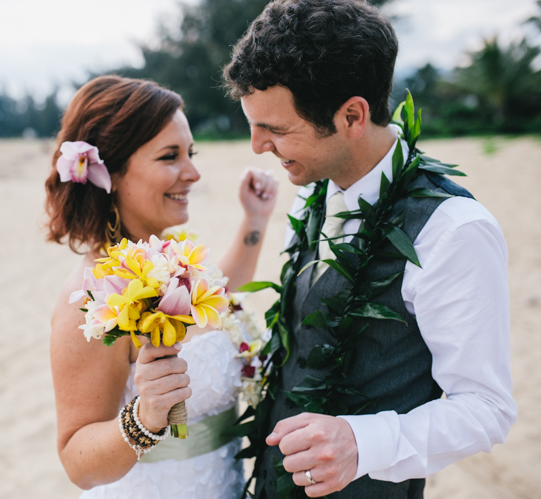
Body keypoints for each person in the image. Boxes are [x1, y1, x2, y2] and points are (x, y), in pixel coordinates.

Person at [222, 0, 517, 497]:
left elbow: (486, 409)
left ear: (352, 116)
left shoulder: (453, 230)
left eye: (275, 128)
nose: (257, 146)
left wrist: (363, 441)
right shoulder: (312, 187)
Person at [46, 75, 278, 498]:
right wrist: (144, 418)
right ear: (110, 173)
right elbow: (76, 462)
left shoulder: (168, 256)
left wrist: (255, 220)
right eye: (170, 156)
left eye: (190, 152)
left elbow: (220, 296)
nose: (192, 172)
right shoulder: (93, 294)